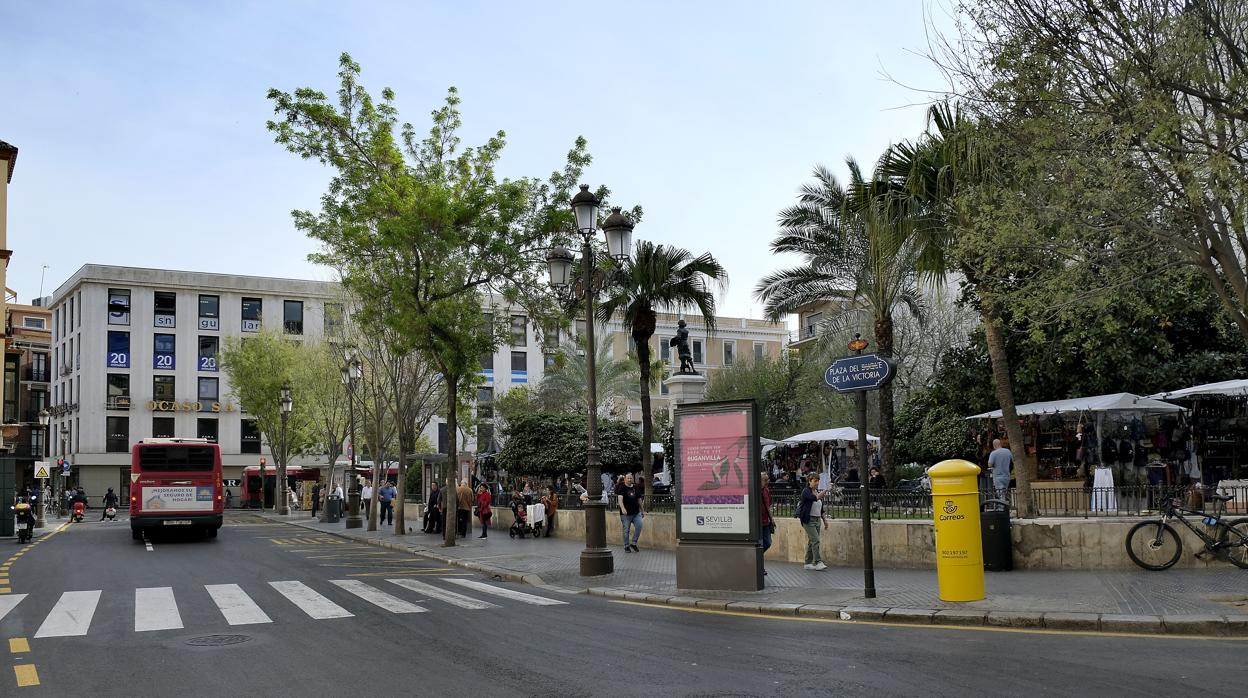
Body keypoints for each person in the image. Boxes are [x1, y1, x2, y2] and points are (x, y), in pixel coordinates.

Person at [798, 474, 828, 571]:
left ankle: (808, 562)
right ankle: (818, 562)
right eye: (815, 481)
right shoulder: (806, 491)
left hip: (817, 519)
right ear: (809, 481)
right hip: (808, 520)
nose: (817, 483)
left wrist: (825, 520)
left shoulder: (817, 492)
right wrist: (825, 491)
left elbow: (820, 508)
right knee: (816, 540)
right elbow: (814, 498)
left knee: (812, 541)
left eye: (818, 481)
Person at [616, 472, 644, 552]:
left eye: (630, 478)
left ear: (632, 479)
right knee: (626, 530)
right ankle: (626, 545)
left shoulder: (636, 487)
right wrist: (623, 508)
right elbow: (620, 499)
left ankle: (634, 543)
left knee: (639, 526)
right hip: (626, 514)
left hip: (636, 512)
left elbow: (639, 499)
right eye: (628, 478)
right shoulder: (622, 488)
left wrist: (642, 510)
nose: (629, 479)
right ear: (625, 479)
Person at [759, 472, 773, 576]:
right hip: (758, 523)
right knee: (761, 545)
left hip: (766, 521)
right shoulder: (756, 491)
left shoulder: (766, 491)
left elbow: (769, 506)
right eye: (765, 479)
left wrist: (772, 519)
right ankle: (759, 566)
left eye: (767, 479)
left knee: (767, 542)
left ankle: (757, 558)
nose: (767, 481)